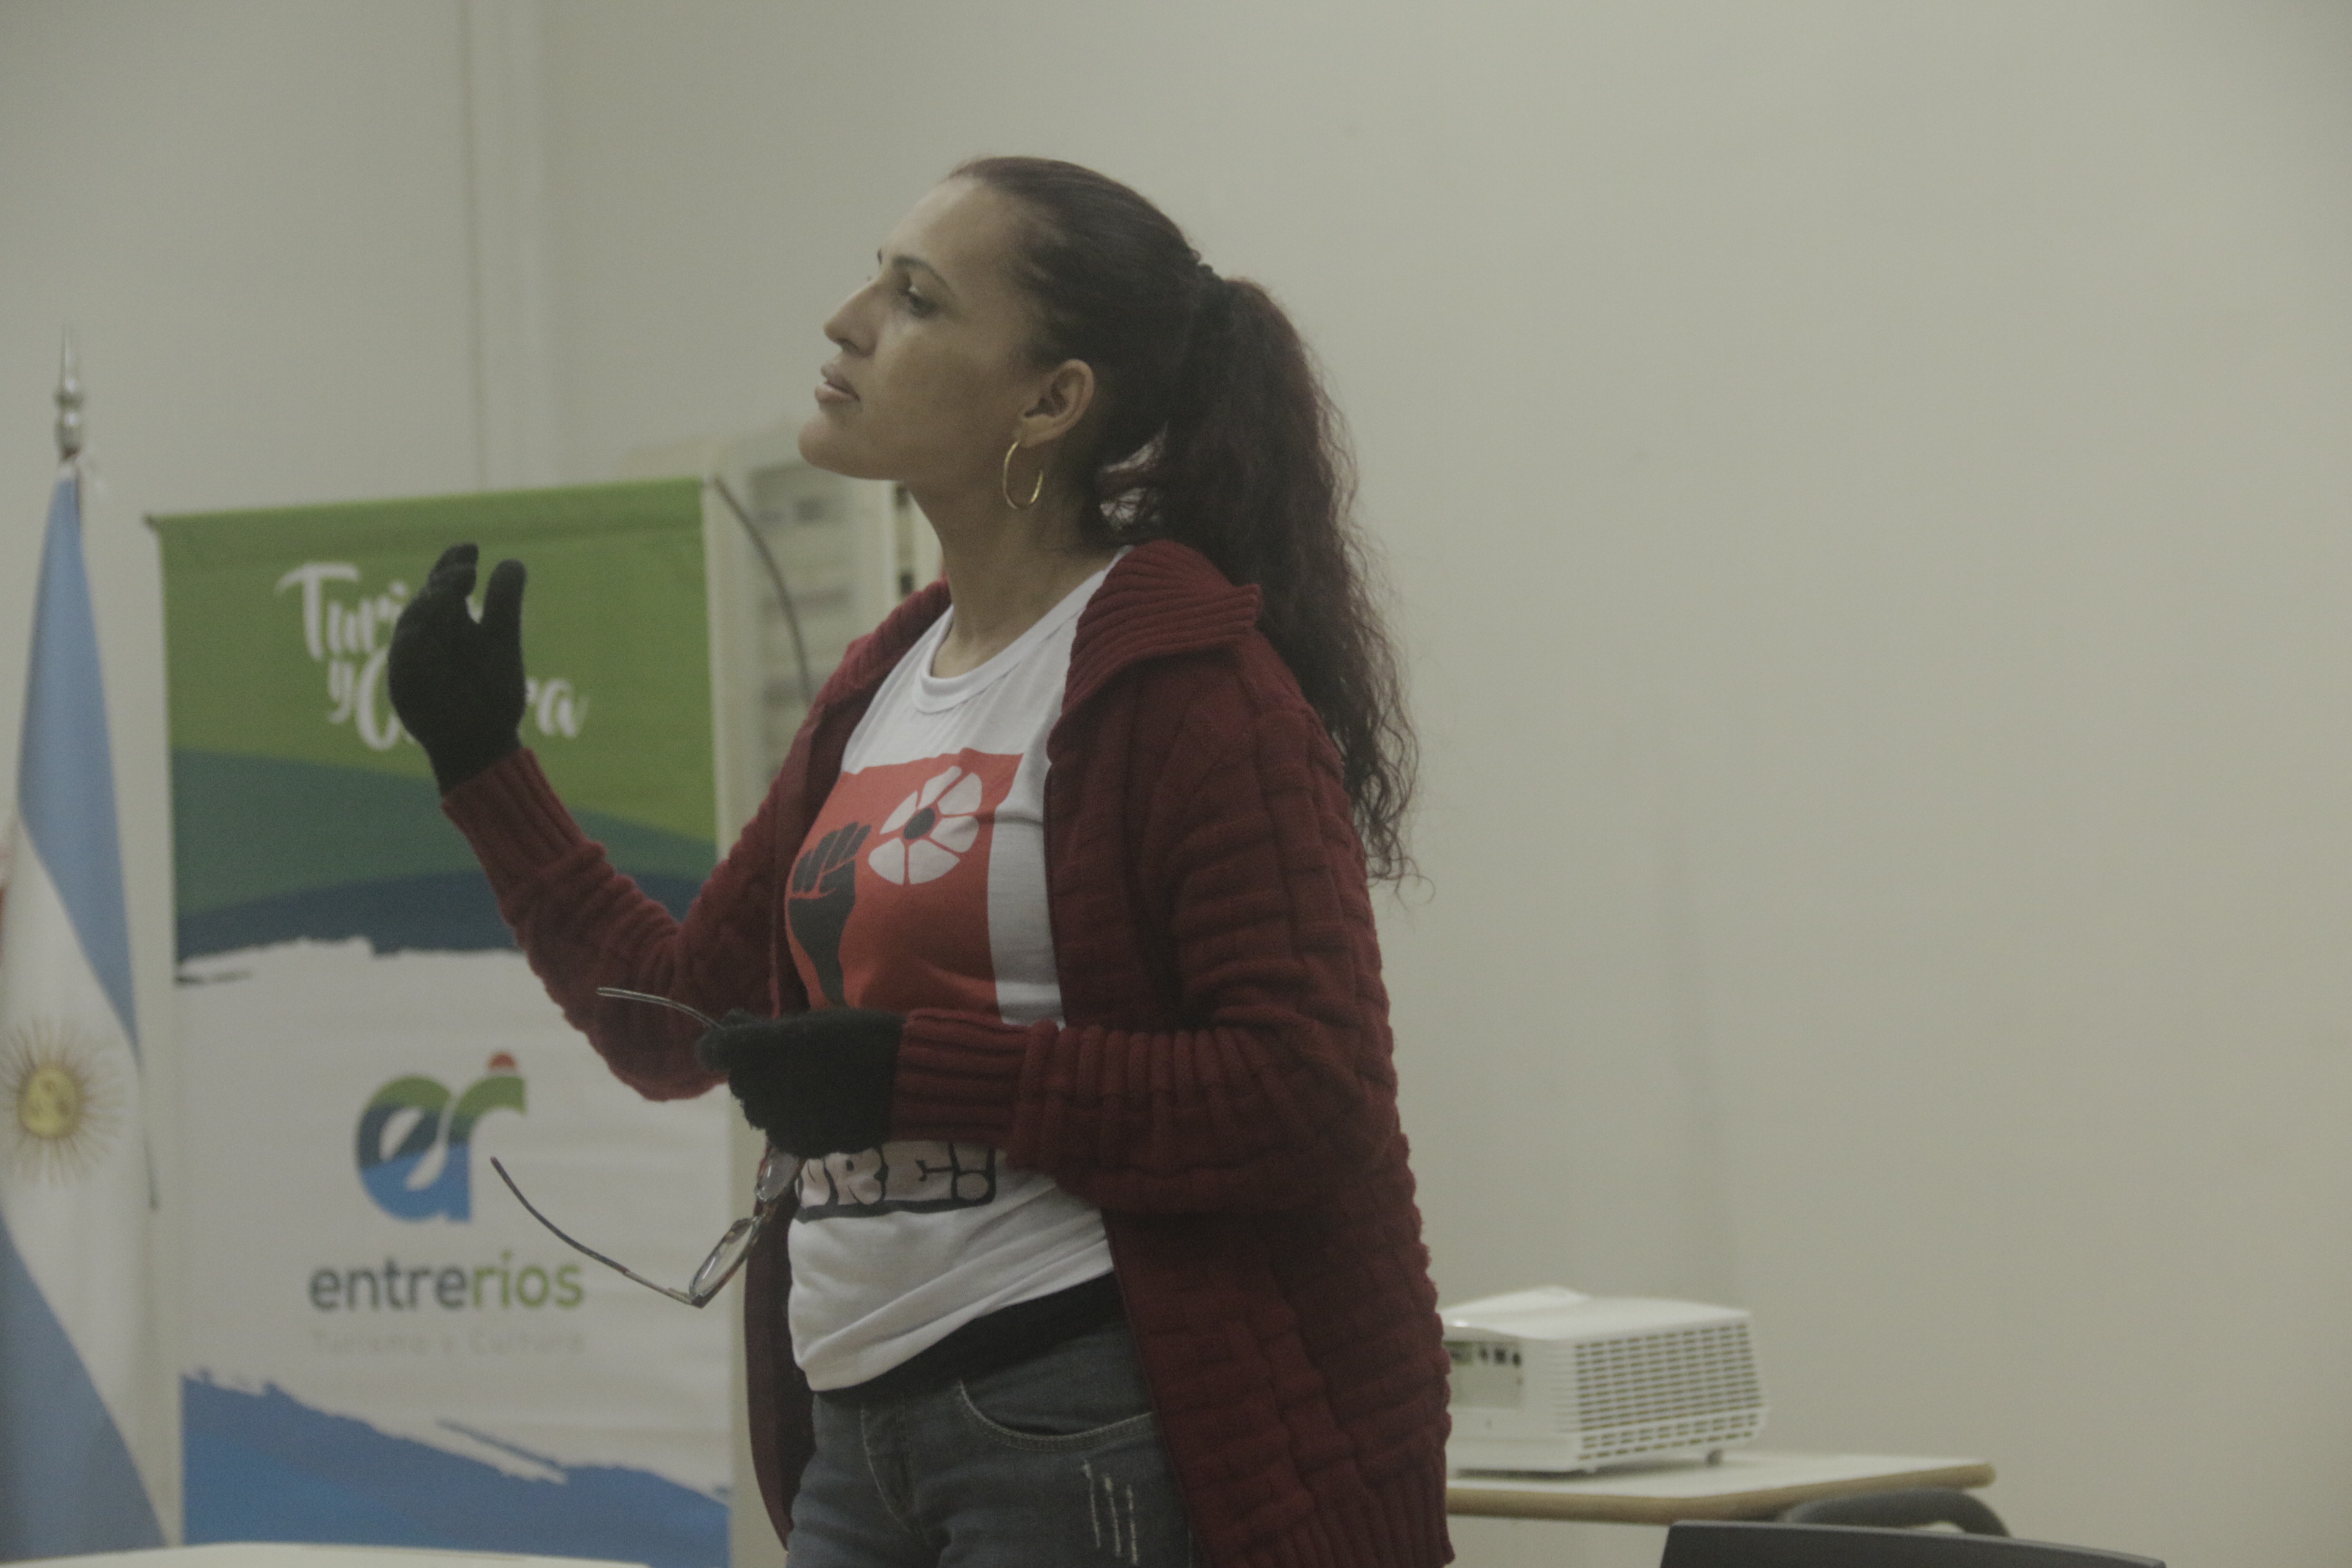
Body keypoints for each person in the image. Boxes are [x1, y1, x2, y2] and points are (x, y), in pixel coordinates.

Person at [388, 155, 1451, 1568]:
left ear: (1050, 400)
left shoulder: (1192, 685)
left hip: (1084, 1412)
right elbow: (676, 1021)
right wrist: (485, 770)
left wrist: (918, 1075)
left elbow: (1303, 1092)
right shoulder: (883, 683)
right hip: (857, 1431)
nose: (846, 321)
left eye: (916, 298)